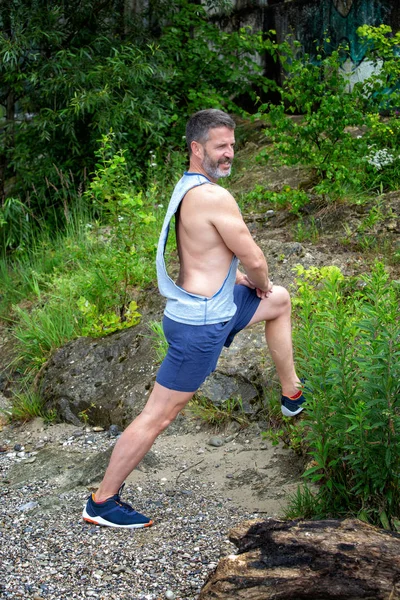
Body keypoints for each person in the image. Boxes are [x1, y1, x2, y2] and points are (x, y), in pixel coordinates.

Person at [82, 109, 305, 529]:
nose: (229, 154)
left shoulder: (188, 187)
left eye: (233, 145)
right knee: (159, 416)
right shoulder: (213, 196)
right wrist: (257, 278)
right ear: (196, 148)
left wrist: (244, 283)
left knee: (279, 300)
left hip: (213, 307)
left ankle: (292, 394)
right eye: (221, 146)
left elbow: (203, 251)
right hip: (200, 326)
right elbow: (254, 258)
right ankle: (102, 501)